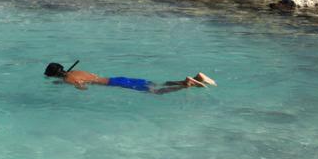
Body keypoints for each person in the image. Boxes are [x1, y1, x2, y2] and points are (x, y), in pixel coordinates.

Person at [44, 60, 215, 94]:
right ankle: (193, 78)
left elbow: (83, 87)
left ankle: (186, 85)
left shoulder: (68, 79)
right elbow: (90, 77)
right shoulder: (77, 71)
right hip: (116, 78)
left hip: (115, 84)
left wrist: (71, 86)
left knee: (156, 92)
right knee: (156, 84)